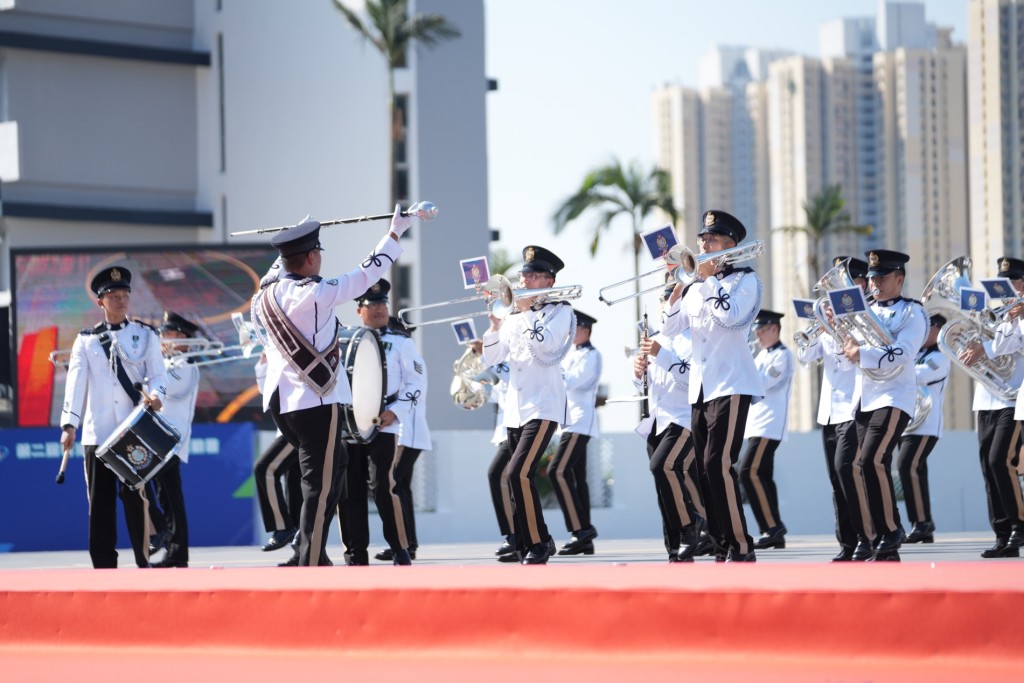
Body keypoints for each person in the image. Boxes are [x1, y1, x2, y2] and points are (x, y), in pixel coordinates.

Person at [255, 207, 413, 567]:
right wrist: (394, 233)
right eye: (318, 254)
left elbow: (278, 270)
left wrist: (289, 245)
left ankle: (308, 551)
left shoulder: (266, 295)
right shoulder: (316, 293)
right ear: (311, 257)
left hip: (282, 403)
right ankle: (309, 558)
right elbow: (364, 275)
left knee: (335, 466)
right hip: (315, 401)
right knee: (319, 483)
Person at [662, 210, 764, 562]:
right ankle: (720, 543)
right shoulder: (695, 287)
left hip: (732, 384)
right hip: (701, 388)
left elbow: (730, 315)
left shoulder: (745, 281)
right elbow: (670, 329)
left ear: (730, 246)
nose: (703, 244)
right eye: (702, 239)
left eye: (712, 240)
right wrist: (678, 286)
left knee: (719, 464)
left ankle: (740, 544)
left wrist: (707, 281)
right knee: (704, 468)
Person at [59, 266, 168, 569]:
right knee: (101, 506)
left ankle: (143, 562)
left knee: (137, 501)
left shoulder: (144, 334)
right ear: (101, 302)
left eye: (124, 295)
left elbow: (158, 374)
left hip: (133, 432)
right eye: (114, 296)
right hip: (97, 435)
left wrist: (157, 394)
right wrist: (70, 425)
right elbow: (76, 385)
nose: (121, 300)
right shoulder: (86, 340)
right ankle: (104, 568)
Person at [483, 245, 576, 565]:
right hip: (515, 409)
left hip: (544, 406)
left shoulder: (562, 312)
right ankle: (529, 539)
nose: (526, 280)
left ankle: (539, 543)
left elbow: (548, 346)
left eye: (535, 275)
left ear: (550, 281)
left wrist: (522, 313)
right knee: (511, 477)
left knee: (518, 472)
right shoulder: (513, 316)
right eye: (525, 274)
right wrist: (495, 326)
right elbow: (493, 357)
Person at [842, 249, 927, 562]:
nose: (875, 282)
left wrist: (861, 354)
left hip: (894, 396)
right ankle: (883, 540)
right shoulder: (863, 311)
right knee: (863, 467)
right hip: (865, 397)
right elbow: (847, 351)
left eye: (883, 277)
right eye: (873, 277)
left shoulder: (912, 313)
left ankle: (891, 531)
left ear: (900, 279)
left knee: (871, 460)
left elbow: (904, 352)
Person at [339, 279, 425, 566]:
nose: (378, 309)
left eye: (382, 304)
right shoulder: (345, 341)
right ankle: (355, 552)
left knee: (383, 487)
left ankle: (400, 548)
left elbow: (417, 384)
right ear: (359, 310)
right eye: (371, 304)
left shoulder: (401, 342)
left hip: (383, 422)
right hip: (350, 425)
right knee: (350, 490)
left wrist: (396, 412)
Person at [796, 256, 872, 561]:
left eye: (848, 283)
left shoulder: (870, 318)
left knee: (848, 471)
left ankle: (868, 538)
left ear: (861, 285)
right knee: (836, 479)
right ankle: (848, 543)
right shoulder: (828, 319)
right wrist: (821, 327)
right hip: (829, 410)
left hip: (855, 406)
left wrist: (847, 330)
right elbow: (805, 357)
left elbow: (867, 354)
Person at [958, 256, 1024, 558]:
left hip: (1016, 398)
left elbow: (1009, 344)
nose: (1008, 289)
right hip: (987, 398)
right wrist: (971, 345)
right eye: (1003, 284)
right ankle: (1002, 534)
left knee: (1002, 460)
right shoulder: (997, 314)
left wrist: (987, 344)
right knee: (988, 465)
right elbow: (978, 344)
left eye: (1014, 282)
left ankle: (1019, 526)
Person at [635, 282, 706, 562]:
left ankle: (691, 524)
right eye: (664, 300)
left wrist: (659, 355)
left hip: (683, 417)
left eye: (673, 299)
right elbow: (647, 382)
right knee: (662, 484)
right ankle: (675, 547)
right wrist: (639, 370)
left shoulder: (695, 338)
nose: (666, 304)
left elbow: (690, 378)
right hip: (658, 419)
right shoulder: (658, 337)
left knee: (662, 466)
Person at [372, 314, 432, 563]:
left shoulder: (409, 357)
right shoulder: (409, 356)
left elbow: (411, 395)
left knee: (393, 484)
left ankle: (404, 542)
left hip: (409, 431)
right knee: (400, 486)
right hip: (407, 431)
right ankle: (409, 543)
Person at [147, 311, 203, 568]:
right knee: (167, 496)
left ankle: (169, 542)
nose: (162, 338)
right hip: (158, 439)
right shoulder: (167, 363)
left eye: (167, 334)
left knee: (167, 495)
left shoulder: (186, 365)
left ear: (181, 336)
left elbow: (168, 390)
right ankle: (175, 551)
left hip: (172, 439)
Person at [549, 309, 603, 555]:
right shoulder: (570, 354)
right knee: (577, 479)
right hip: (568, 423)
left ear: (585, 331)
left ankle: (580, 529)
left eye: (576, 329)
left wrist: (552, 367)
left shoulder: (592, 356)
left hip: (580, 422)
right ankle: (584, 538)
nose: (571, 334)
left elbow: (572, 382)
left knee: (557, 471)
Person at [740, 308, 794, 551]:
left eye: (761, 330)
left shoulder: (781, 356)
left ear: (774, 328)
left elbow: (761, 384)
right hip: (756, 424)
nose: (758, 335)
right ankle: (773, 529)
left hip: (769, 423)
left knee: (748, 472)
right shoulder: (761, 355)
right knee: (762, 476)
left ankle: (772, 527)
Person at [895, 314, 951, 544]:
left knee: (907, 465)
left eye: (928, 328)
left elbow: (921, 375)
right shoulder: (916, 354)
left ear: (938, 330)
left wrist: (896, 367)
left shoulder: (941, 356)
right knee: (915, 470)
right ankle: (923, 524)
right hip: (908, 421)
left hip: (926, 423)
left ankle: (922, 523)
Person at [251, 353, 301, 557]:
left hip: (298, 423)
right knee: (295, 489)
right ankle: (301, 553)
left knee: (264, 469)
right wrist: (264, 364)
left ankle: (282, 527)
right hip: (287, 425)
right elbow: (267, 392)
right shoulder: (274, 351)